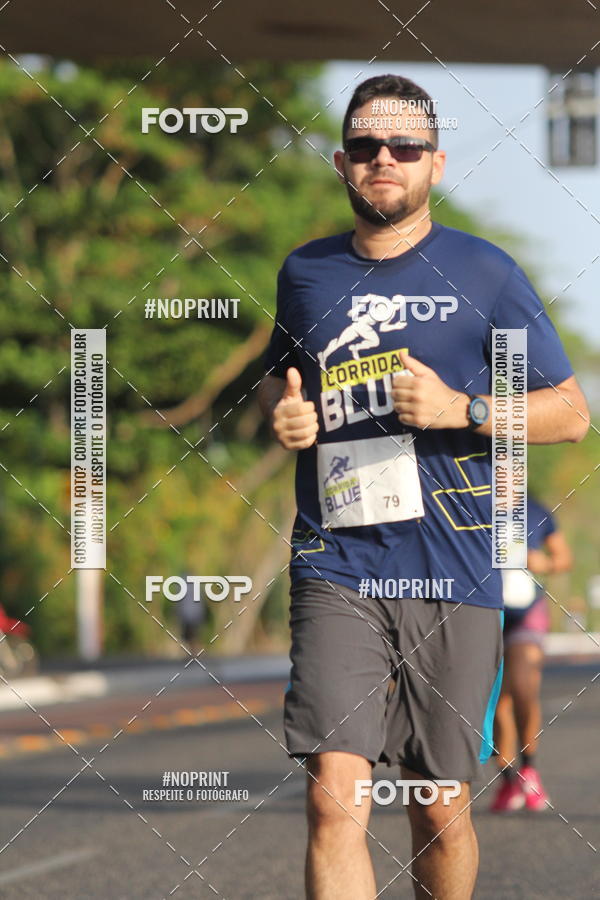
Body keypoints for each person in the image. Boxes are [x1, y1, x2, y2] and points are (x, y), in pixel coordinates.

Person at [258, 73, 589, 900]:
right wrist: (282, 414)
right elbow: (277, 378)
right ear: (342, 162)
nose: (385, 158)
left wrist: (463, 408)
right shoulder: (306, 273)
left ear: (435, 163)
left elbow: (570, 412)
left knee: (437, 806)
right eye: (366, 145)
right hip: (337, 563)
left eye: (405, 146)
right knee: (333, 800)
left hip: (453, 568)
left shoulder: (485, 273)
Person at [491, 496, 573, 812]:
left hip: (527, 610)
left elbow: (563, 558)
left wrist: (545, 564)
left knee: (523, 686)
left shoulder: (536, 510)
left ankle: (529, 769)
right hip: (486, 610)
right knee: (497, 698)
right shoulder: (472, 501)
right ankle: (507, 778)